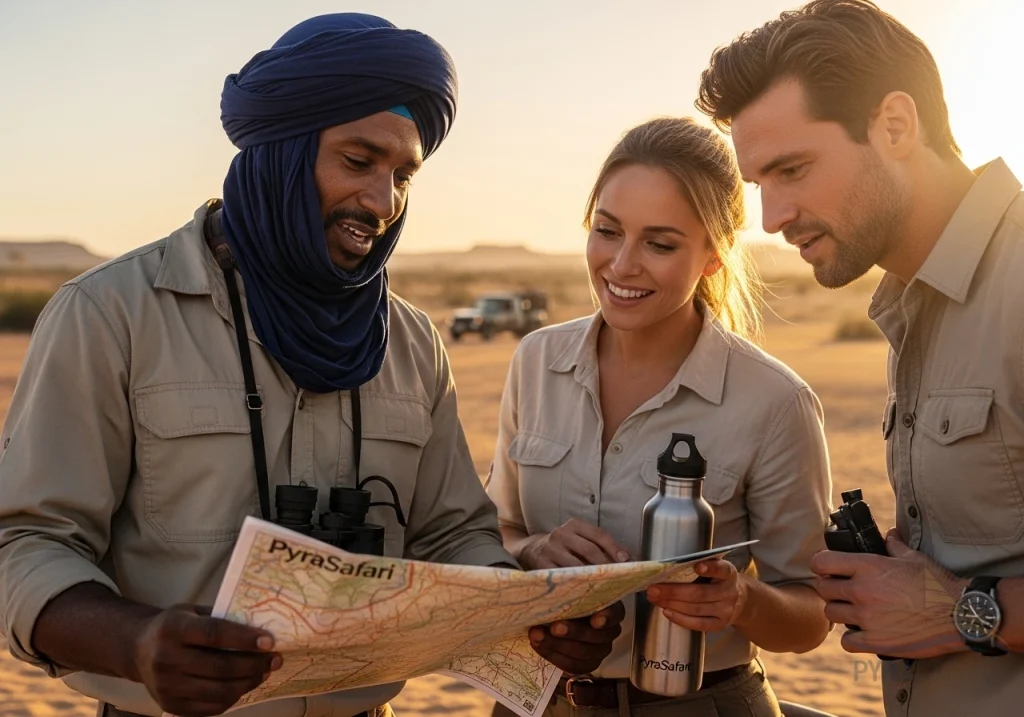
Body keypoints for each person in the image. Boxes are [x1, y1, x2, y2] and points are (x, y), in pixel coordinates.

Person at [0, 14, 623, 717]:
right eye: (358, 162)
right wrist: (136, 642)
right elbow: (24, 542)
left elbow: (454, 533)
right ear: (281, 152)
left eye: (403, 176)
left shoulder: (412, 342)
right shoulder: (112, 314)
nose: (383, 203)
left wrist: (531, 618)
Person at [694, 0, 1024, 714]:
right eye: (759, 186)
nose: (772, 217)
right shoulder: (916, 305)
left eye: (793, 170)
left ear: (896, 126)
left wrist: (968, 610)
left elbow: (954, 607)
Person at [485, 116, 834, 717]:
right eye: (607, 231)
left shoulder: (776, 401)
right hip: (536, 702)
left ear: (713, 258)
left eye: (660, 243)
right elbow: (498, 532)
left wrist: (739, 599)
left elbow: (811, 615)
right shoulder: (535, 361)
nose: (621, 265)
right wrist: (536, 550)